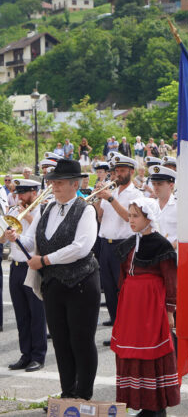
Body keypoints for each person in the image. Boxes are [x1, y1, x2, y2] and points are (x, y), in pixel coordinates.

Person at [5, 159, 101, 400]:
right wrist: (15, 237)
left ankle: (83, 395)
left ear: (74, 184)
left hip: (82, 283)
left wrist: (45, 260)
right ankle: (68, 393)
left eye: (58, 182)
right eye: (52, 182)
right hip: (54, 284)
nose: (53, 186)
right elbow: (32, 241)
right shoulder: (47, 209)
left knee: (81, 340)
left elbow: (81, 247)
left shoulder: (85, 209)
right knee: (60, 341)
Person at [111, 198, 180, 416]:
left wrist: (169, 311)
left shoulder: (161, 245)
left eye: (135, 216)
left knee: (152, 351)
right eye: (129, 216)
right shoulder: (131, 243)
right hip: (131, 306)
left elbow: (171, 280)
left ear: (148, 218)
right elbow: (123, 277)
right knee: (131, 350)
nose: (130, 220)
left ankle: (156, 406)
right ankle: (138, 401)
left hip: (151, 305)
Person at [95, 154, 142, 343]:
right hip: (106, 244)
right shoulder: (110, 191)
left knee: (124, 291)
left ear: (131, 172)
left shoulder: (136, 194)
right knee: (110, 291)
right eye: (116, 171)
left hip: (124, 246)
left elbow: (128, 218)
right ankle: (117, 332)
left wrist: (110, 199)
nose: (118, 174)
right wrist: (98, 199)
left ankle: (129, 332)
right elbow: (100, 217)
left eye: (122, 171)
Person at [5, 179, 47, 372]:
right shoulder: (13, 211)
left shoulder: (41, 211)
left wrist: (27, 215)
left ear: (34, 192)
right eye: (17, 193)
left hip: (32, 265)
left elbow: (41, 235)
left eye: (23, 193)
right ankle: (25, 354)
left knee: (36, 313)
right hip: (15, 265)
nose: (19, 197)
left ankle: (38, 356)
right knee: (21, 314)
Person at [148, 166, 177, 248]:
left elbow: (187, 234)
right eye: (154, 184)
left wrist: (169, 247)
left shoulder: (179, 206)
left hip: (174, 255)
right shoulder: (151, 206)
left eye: (159, 184)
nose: (156, 188)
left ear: (171, 185)